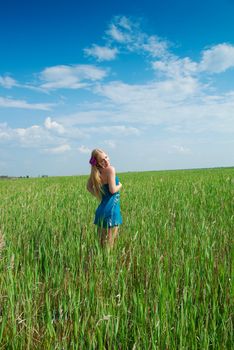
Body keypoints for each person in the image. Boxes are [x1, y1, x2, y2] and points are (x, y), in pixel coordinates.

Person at [86, 149, 122, 248]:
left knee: (100, 246)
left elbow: (88, 187)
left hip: (101, 210)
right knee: (109, 249)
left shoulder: (96, 173)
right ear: (97, 162)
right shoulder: (110, 169)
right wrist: (120, 185)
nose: (106, 160)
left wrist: (100, 196)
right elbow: (113, 190)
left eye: (106, 157)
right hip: (111, 211)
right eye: (102, 160)